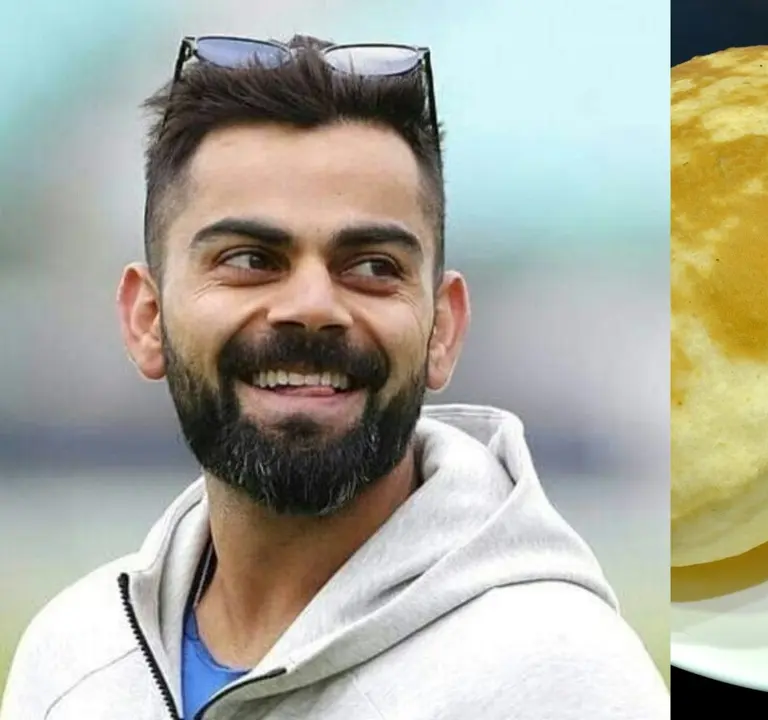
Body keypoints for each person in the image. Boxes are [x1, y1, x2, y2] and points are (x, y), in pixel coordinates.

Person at [0, 34, 669, 720]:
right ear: (147, 320)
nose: (313, 308)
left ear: (443, 328)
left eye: (373, 266)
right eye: (250, 258)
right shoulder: (73, 659)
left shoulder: (561, 684)